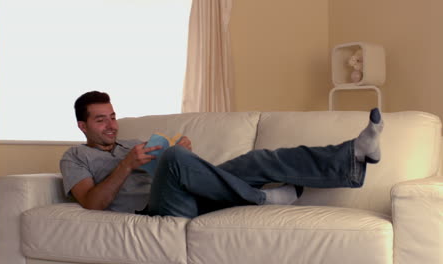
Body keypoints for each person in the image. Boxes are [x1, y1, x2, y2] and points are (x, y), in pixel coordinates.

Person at [60, 91, 383, 218]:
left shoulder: (130, 143)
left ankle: (352, 155)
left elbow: (168, 165)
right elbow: (92, 203)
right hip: (154, 210)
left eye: (113, 117)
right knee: (174, 160)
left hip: (189, 192)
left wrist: (179, 150)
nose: (111, 125)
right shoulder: (75, 157)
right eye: (100, 120)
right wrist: (128, 166)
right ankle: (261, 199)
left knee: (258, 159)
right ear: (82, 125)